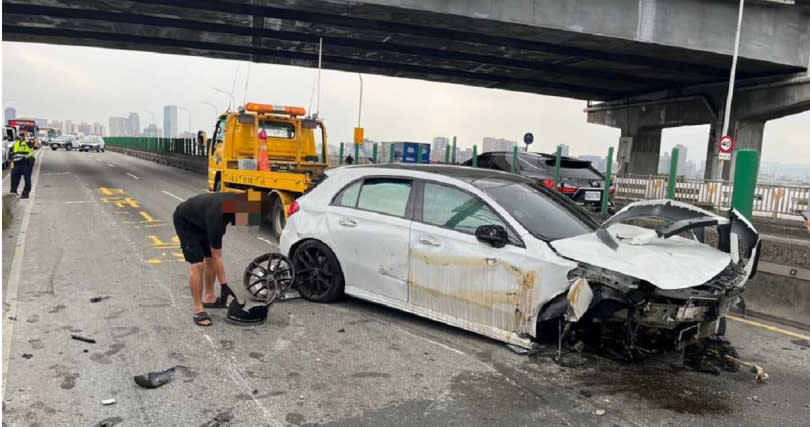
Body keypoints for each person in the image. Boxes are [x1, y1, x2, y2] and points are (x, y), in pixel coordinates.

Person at [173, 191, 262, 326]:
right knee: (198, 265)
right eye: (243, 219)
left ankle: (209, 297)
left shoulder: (235, 202)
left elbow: (214, 258)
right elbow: (217, 257)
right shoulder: (217, 219)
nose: (243, 223)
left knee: (209, 259)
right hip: (186, 223)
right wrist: (224, 285)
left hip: (202, 221)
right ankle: (198, 309)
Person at [9, 132, 35, 199]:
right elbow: (13, 151)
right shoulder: (16, 142)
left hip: (26, 162)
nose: (21, 137)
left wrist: (27, 141)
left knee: (27, 179)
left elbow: (31, 146)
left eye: (22, 136)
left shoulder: (29, 141)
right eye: (20, 136)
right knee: (14, 178)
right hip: (16, 163)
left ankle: (25, 194)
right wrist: (11, 161)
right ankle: (13, 192)